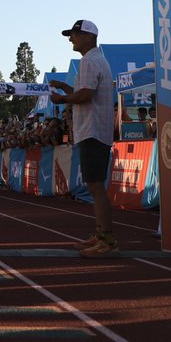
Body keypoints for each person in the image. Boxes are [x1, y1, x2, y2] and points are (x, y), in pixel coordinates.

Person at [49, 19, 118, 258]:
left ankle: (107, 239)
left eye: (75, 35)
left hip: (92, 131)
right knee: (94, 186)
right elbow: (83, 92)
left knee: (96, 187)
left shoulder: (89, 61)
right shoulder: (96, 60)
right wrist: (64, 87)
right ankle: (100, 234)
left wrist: (62, 99)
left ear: (89, 36)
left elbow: (86, 95)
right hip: (94, 130)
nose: (71, 39)